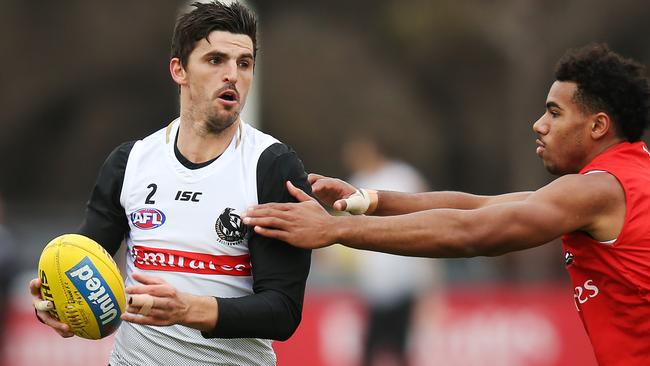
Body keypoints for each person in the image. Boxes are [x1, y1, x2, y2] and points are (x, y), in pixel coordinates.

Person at [242, 43, 650, 366]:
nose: (539, 124)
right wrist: (366, 201)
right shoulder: (620, 180)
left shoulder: (600, 188)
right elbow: (478, 207)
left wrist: (335, 230)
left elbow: (474, 232)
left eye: (555, 113)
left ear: (598, 125)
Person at [29, 2, 312, 365]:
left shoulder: (271, 166)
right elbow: (81, 263)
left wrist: (187, 310)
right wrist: (52, 304)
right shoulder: (130, 162)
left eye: (244, 64)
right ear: (179, 70)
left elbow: (283, 311)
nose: (232, 75)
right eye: (215, 60)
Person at [340, 136, 438, 366]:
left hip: (405, 281)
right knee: (370, 350)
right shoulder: (357, 182)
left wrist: (430, 279)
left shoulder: (403, 177)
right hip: (374, 286)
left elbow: (428, 213)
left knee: (401, 350)